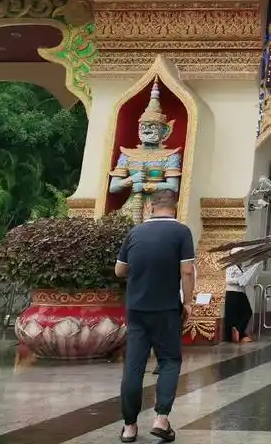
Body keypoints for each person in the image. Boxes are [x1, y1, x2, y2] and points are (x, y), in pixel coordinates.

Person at [115, 189, 195, 443]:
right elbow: (188, 272)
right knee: (170, 361)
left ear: (151, 207)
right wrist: (189, 302)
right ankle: (161, 419)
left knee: (134, 366)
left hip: (136, 309)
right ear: (175, 207)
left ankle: (129, 426)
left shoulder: (135, 232)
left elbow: (119, 270)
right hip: (166, 309)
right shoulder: (181, 232)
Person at [223, 249, 258, 343]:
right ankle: (236, 333)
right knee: (234, 315)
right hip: (232, 292)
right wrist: (238, 280)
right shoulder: (230, 265)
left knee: (247, 312)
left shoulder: (241, 266)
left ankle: (239, 332)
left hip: (241, 292)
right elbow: (226, 279)